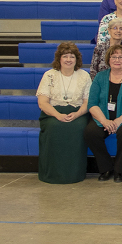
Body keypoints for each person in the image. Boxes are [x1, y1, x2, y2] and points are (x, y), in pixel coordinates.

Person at [84, 45, 122, 183]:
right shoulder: (100, 77)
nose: (117, 59)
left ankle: (119, 169)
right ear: (108, 59)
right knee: (90, 132)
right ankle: (105, 168)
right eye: (114, 56)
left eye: (121, 57)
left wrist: (118, 121)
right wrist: (104, 121)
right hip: (104, 116)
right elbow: (92, 104)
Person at [36, 43, 92, 184]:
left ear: (76, 59)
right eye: (65, 56)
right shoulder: (49, 75)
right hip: (52, 113)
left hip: (78, 112)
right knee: (54, 127)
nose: (68, 59)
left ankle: (74, 174)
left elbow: (87, 102)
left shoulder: (84, 76)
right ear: (59, 59)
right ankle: (51, 174)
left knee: (78, 127)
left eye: (72, 56)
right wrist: (57, 115)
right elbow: (43, 103)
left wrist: (77, 114)